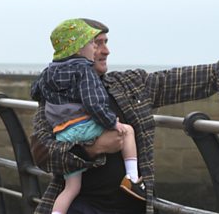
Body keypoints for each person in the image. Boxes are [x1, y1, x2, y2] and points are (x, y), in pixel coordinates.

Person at [30, 18, 219, 214]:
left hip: (130, 205)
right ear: (76, 50)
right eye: (97, 43)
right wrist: (93, 149)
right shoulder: (56, 97)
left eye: (106, 43)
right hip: (81, 206)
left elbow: (179, 80)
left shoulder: (129, 84)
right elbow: (43, 155)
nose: (106, 51)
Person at [30, 19, 146, 214]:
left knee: (71, 188)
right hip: (87, 202)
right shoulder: (84, 71)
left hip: (63, 133)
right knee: (127, 131)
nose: (103, 50)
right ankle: (133, 179)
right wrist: (103, 136)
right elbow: (93, 103)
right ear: (79, 47)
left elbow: (34, 91)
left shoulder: (49, 73)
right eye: (95, 43)